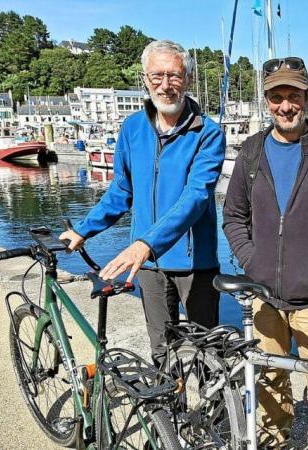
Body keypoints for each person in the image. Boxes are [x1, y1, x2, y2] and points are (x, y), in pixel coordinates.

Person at [223, 56, 308, 449]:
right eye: (276, 96)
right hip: (263, 294)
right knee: (269, 380)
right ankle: (274, 441)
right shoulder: (250, 152)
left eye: (294, 95)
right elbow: (233, 215)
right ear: (266, 101)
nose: (285, 105)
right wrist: (252, 261)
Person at [60, 40, 225, 364]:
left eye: (174, 76)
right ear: (145, 79)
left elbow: (196, 197)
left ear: (188, 79)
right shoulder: (133, 128)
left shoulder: (208, 132)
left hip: (196, 266)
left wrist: (146, 242)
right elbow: (121, 191)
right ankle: (169, 414)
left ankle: (214, 415)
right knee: (161, 352)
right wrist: (82, 229)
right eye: (157, 76)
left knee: (208, 355)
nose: (166, 85)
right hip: (149, 267)